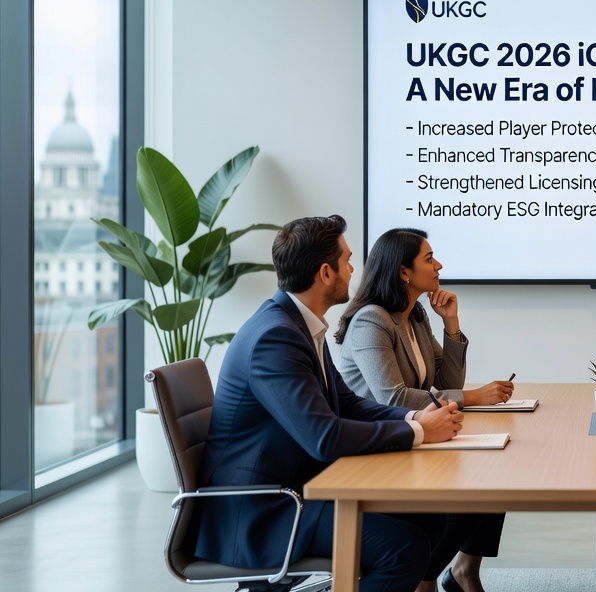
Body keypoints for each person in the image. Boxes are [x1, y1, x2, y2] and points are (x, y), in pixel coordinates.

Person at [195, 215, 464, 592]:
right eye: (347, 260)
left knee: (430, 518)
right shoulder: (276, 337)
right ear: (325, 273)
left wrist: (415, 414)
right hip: (265, 510)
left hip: (299, 488)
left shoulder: (299, 326)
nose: (354, 269)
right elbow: (324, 436)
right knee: (404, 548)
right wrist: (418, 431)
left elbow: (348, 404)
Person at [332, 228, 511, 592]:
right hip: (377, 451)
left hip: (416, 438)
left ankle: (462, 572)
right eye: (429, 259)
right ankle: (425, 580)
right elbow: (394, 399)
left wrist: (452, 324)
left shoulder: (412, 316)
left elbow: (445, 379)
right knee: (474, 489)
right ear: (403, 272)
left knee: (496, 475)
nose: (439, 265)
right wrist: (474, 397)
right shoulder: (372, 320)